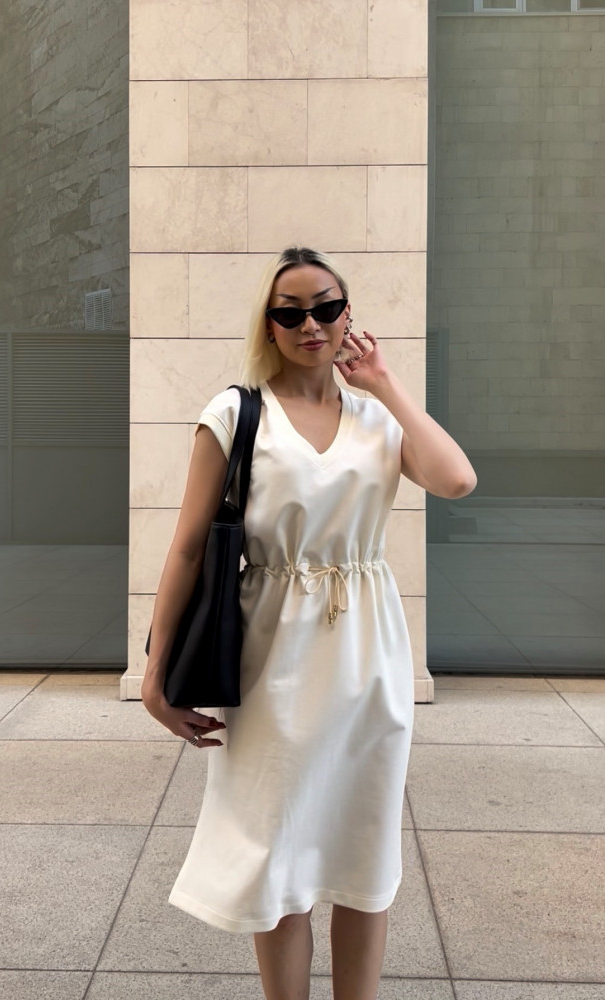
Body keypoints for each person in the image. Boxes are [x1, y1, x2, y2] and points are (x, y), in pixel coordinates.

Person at [141, 246, 477, 1000]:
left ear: (348, 315)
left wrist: (384, 382)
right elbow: (187, 549)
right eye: (290, 312)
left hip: (368, 659)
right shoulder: (236, 414)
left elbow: (457, 479)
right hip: (273, 659)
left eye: (326, 308)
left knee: (364, 859)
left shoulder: (377, 418)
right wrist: (155, 678)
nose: (310, 324)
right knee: (279, 859)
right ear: (269, 323)